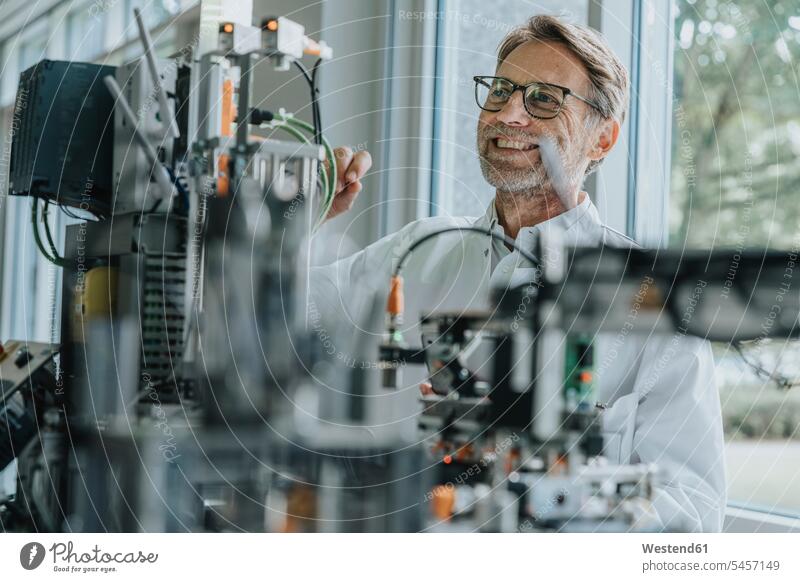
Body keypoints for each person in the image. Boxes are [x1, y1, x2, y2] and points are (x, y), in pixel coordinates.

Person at [312, 14, 725, 532]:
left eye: (545, 99)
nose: (508, 114)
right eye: (501, 90)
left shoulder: (656, 305)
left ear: (603, 138)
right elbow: (270, 322)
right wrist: (299, 220)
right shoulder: (417, 249)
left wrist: (542, 474)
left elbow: (693, 512)